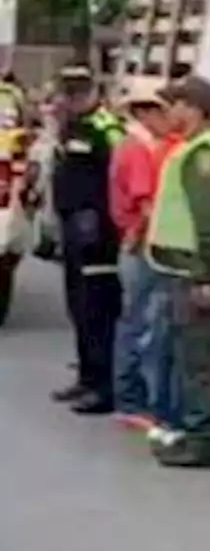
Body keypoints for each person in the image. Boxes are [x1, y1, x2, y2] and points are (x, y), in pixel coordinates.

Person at [145, 75, 210, 468]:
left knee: (201, 358)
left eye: (174, 104)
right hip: (187, 270)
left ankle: (203, 440)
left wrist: (205, 275)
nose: (168, 113)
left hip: (196, 274)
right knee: (191, 355)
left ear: (193, 108)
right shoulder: (199, 149)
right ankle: (193, 433)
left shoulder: (204, 154)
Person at [49, 66, 124, 415]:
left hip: (99, 233)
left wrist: (106, 224)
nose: (72, 98)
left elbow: (120, 180)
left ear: (95, 91)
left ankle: (104, 386)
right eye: (68, 92)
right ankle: (87, 377)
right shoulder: (71, 127)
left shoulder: (106, 129)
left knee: (97, 310)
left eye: (80, 92)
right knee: (78, 307)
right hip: (73, 228)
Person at [109, 76, 180, 434]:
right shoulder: (137, 150)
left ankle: (132, 399)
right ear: (147, 112)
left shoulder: (142, 145)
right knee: (143, 325)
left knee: (139, 321)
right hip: (144, 247)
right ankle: (133, 401)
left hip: (139, 244)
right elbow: (146, 204)